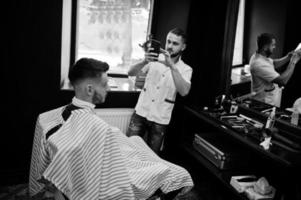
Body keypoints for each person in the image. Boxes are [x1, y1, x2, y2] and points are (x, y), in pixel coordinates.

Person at [29, 58, 193, 200]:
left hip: (65, 187)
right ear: (90, 89)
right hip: (112, 174)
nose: (109, 88)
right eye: (106, 84)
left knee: (136, 141)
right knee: (174, 173)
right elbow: (116, 183)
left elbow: (45, 164)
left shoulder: (46, 118)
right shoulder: (100, 130)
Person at [127, 28, 193, 154]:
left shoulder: (186, 69)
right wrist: (144, 61)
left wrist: (172, 67)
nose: (169, 46)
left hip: (160, 119)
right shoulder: (154, 59)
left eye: (175, 44)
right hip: (141, 113)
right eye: (168, 41)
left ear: (183, 47)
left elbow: (184, 91)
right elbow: (130, 72)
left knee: (153, 158)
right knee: (128, 150)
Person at [249, 33, 301, 106]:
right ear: (265, 47)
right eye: (272, 45)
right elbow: (283, 81)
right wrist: (293, 62)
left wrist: (288, 57)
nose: (274, 47)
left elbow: (273, 63)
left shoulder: (260, 56)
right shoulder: (258, 63)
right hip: (262, 103)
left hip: (269, 98)